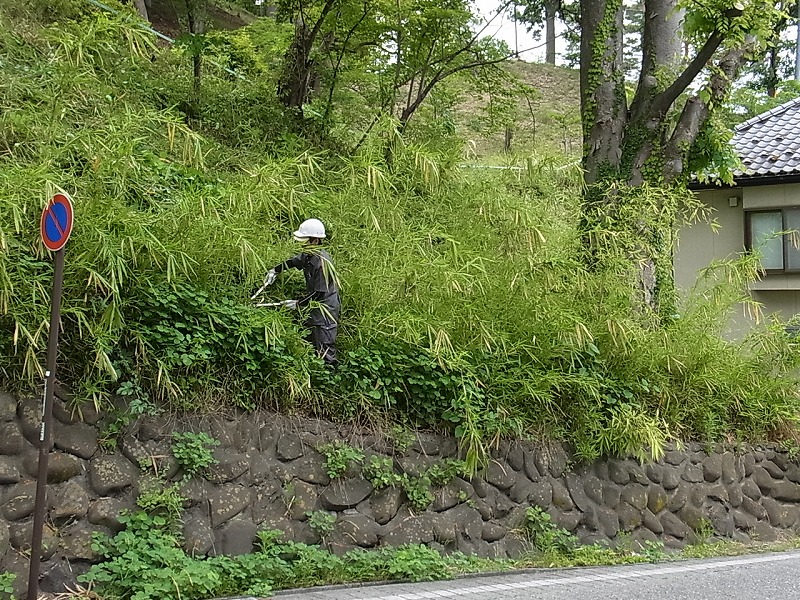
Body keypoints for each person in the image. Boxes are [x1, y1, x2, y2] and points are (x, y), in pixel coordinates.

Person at [264, 218, 340, 368]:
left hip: (325, 311)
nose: (301, 244)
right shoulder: (308, 254)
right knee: (312, 344)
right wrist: (275, 270)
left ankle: (329, 379)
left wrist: (297, 303)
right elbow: (293, 262)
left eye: (304, 240)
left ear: (315, 240)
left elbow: (319, 293)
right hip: (313, 308)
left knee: (324, 348)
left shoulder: (322, 263)